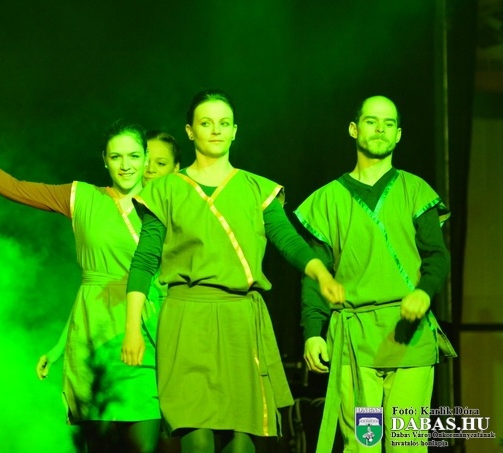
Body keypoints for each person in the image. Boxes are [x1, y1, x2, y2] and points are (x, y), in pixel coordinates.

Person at [121, 90, 344, 453]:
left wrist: (321, 274)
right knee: (197, 438)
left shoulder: (257, 188)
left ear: (235, 131)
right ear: (190, 131)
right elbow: (145, 259)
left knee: (240, 443)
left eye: (224, 123)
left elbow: (288, 240)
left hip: (241, 320)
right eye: (206, 123)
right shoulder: (165, 190)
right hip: (187, 320)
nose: (216, 130)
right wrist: (132, 327)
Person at [0, 120, 162, 452]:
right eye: (116, 156)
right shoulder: (82, 197)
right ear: (104, 160)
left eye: (134, 156)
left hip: (148, 331)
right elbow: (15, 187)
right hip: (93, 336)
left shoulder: (165, 204)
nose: (126, 165)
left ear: (147, 158)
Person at [295, 96, 454, 453]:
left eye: (388, 123)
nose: (380, 129)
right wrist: (313, 332)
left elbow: (437, 256)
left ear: (398, 134)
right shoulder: (327, 199)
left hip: (409, 338)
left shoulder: (416, 192)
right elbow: (316, 273)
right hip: (355, 341)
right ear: (354, 129)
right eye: (371, 121)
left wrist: (424, 291)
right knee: (363, 444)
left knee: (407, 445)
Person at [35, 130, 182, 382]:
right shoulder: (126, 212)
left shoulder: (181, 216)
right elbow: (96, 287)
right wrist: (59, 347)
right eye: (148, 162)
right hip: (116, 334)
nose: (151, 170)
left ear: (177, 169)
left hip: (169, 331)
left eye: (161, 163)